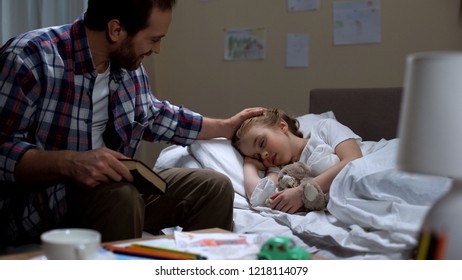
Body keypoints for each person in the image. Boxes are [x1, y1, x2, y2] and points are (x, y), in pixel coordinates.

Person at [0, 0, 263, 250]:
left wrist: (226, 126)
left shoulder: (129, 69)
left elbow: (158, 116)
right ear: (116, 30)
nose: (157, 49)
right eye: (154, 39)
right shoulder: (30, 57)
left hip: (119, 191)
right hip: (48, 202)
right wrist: (71, 163)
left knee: (213, 187)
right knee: (121, 196)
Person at [231, 108, 362, 214]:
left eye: (262, 143)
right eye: (257, 157)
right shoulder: (280, 171)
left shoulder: (323, 130)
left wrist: (301, 192)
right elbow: (259, 197)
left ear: (282, 126)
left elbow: (353, 160)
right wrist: (249, 164)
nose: (264, 155)